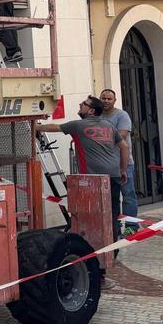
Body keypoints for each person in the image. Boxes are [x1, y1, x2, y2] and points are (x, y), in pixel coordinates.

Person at [37, 95, 130, 235]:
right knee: (112, 213)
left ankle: (94, 247)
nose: (80, 104)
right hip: (113, 175)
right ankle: (112, 249)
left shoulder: (78, 125)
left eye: (84, 104)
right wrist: (123, 169)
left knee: (90, 213)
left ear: (92, 111)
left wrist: (34, 126)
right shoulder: (108, 125)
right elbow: (124, 147)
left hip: (93, 178)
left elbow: (54, 127)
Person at [99, 88, 139, 221]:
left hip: (124, 164)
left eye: (109, 98)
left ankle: (131, 228)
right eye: (103, 98)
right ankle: (114, 228)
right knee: (111, 198)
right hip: (105, 165)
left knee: (128, 196)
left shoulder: (122, 115)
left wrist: (98, 137)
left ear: (114, 101)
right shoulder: (97, 116)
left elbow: (122, 134)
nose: (106, 100)